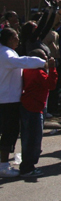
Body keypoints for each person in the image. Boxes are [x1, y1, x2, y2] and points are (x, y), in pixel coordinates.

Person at [0, 28, 47, 178]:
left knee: (9, 132)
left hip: (8, 98)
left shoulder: (6, 51)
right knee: (9, 132)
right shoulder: (6, 53)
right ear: (8, 39)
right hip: (7, 100)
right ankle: (3, 165)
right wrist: (43, 62)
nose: (18, 39)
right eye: (15, 37)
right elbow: (21, 62)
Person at [19, 49, 58, 177]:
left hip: (27, 105)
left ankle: (27, 165)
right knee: (33, 139)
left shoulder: (26, 70)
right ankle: (28, 167)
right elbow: (51, 84)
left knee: (27, 137)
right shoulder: (38, 72)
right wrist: (52, 69)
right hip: (34, 107)